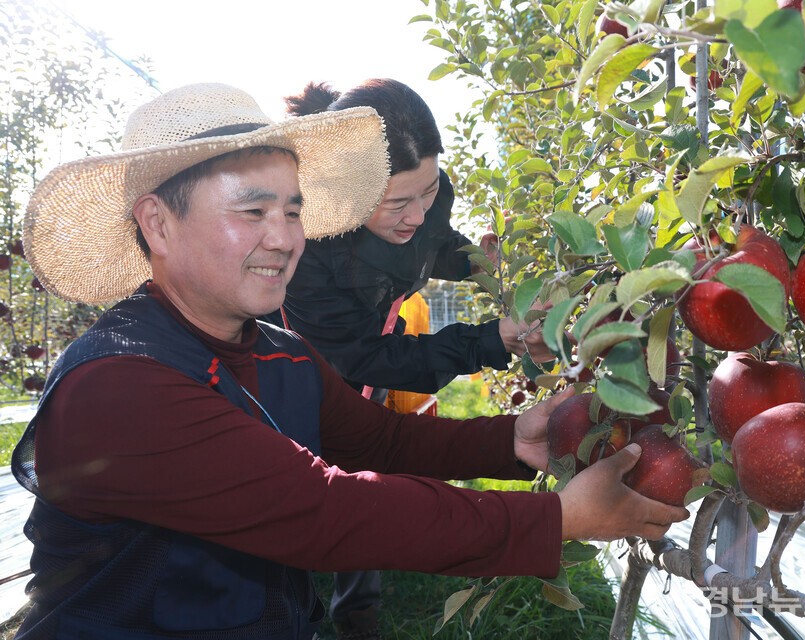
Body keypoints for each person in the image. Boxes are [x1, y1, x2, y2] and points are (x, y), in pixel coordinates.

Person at [11, 83, 689, 640]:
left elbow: (382, 441)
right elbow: (323, 512)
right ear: (157, 223)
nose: (282, 239)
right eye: (251, 211)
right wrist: (555, 521)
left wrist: (512, 439)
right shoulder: (120, 384)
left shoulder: (284, 357)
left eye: (292, 211)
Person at [262, 79, 553, 405]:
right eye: (397, 204)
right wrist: (491, 339)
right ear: (350, 196)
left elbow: (430, 242)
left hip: (378, 362)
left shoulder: (431, 196)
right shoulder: (306, 251)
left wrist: (470, 259)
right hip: (311, 380)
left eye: (427, 191)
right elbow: (363, 357)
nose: (417, 216)